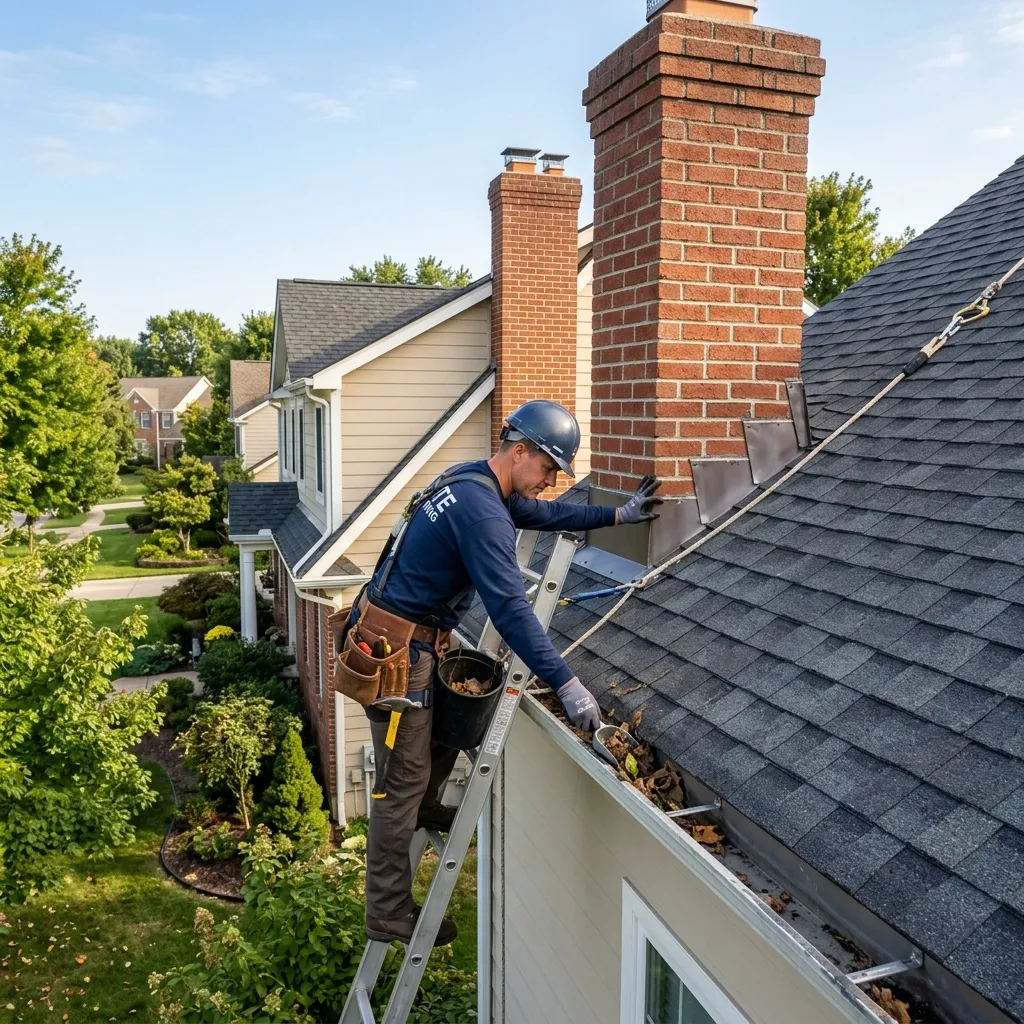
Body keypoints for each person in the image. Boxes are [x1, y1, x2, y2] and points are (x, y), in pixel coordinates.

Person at [350, 399, 662, 946]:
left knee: (442, 733)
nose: (550, 482)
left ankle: (428, 804)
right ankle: (387, 910)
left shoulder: (472, 480)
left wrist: (616, 516)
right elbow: (512, 612)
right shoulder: (482, 513)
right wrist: (566, 682)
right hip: (395, 654)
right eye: (548, 468)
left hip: (409, 635)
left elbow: (545, 515)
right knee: (399, 784)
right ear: (520, 451)